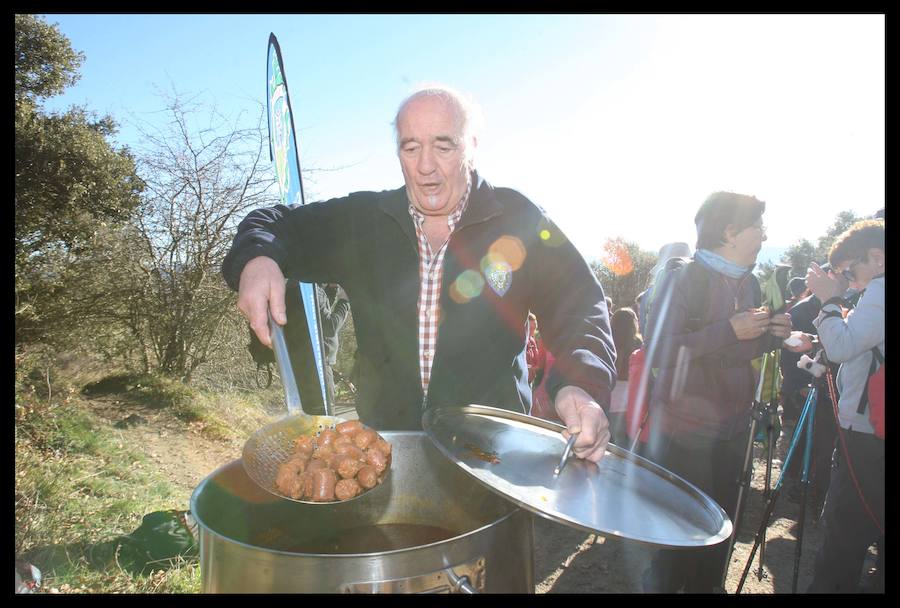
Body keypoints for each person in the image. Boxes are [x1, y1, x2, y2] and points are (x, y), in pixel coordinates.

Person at [222, 85, 615, 463]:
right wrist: (258, 258)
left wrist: (581, 384)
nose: (425, 166)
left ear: (471, 147)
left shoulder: (520, 221)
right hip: (385, 456)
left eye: (443, 146)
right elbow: (275, 222)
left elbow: (579, 302)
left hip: (490, 461)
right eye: (411, 148)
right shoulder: (365, 221)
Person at [639, 192, 792, 593]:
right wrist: (730, 329)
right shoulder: (683, 277)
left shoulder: (752, 282)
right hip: (685, 434)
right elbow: (659, 349)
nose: (763, 236)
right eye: (758, 227)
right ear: (729, 232)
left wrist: (770, 339)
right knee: (679, 535)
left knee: (722, 529)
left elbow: (734, 353)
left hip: (735, 430)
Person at [786, 219, 884, 593]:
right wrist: (818, 339)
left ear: (876, 258)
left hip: (865, 437)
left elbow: (845, 347)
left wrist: (829, 300)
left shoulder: (880, 289)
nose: (849, 279)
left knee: (843, 537)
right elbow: (863, 345)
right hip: (873, 431)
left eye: (850, 270)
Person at [609, 307, 642, 446]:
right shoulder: (638, 344)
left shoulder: (608, 341)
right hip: (629, 398)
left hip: (608, 395)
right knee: (622, 442)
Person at [316, 283, 351, 408]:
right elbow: (330, 326)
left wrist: (332, 289)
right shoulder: (313, 290)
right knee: (326, 414)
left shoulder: (309, 289)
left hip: (315, 361)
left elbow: (321, 314)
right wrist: (344, 301)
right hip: (319, 364)